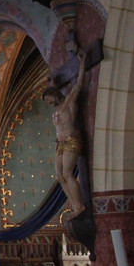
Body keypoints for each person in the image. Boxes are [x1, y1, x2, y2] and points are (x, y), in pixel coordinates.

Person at [42, 49, 86, 216]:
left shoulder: (69, 103)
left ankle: (79, 206)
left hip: (71, 140)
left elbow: (79, 83)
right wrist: (52, 81)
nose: (47, 103)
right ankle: (75, 205)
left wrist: (82, 63)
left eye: (47, 99)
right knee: (59, 177)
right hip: (60, 144)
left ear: (53, 95)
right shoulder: (57, 109)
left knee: (68, 173)